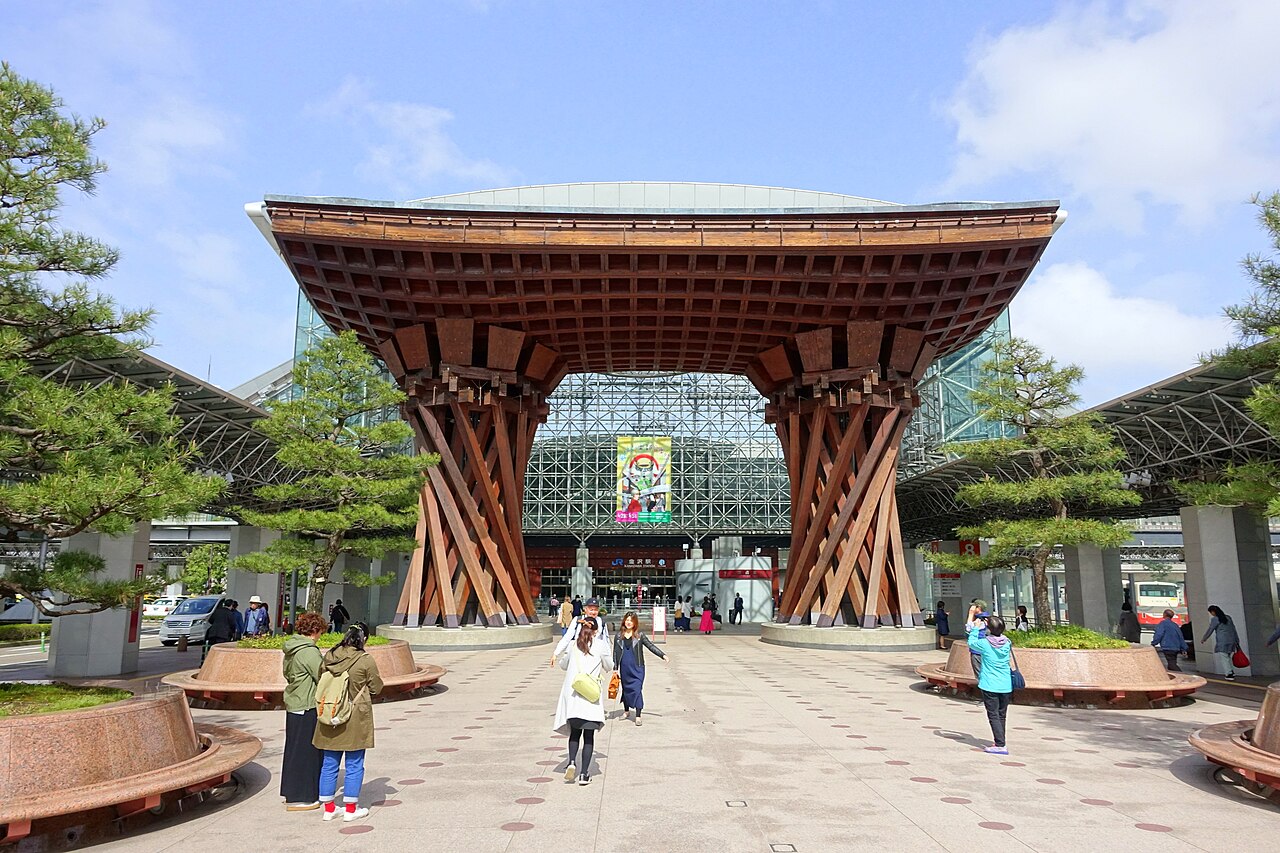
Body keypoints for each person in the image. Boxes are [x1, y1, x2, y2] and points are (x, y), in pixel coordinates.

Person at [313, 623, 384, 822]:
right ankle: (351, 809)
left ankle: (328, 808)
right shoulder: (364, 660)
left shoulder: (330, 656)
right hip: (354, 716)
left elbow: (321, 679)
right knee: (354, 763)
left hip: (330, 713)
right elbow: (376, 687)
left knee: (329, 763)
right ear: (364, 640)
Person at [553, 618, 614, 785]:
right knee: (588, 737)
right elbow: (609, 665)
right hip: (590, 698)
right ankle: (584, 774)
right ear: (596, 631)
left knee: (574, 734)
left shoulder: (574, 645)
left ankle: (572, 762)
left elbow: (563, 665)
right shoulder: (600, 645)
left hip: (574, 698)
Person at [281, 612, 327, 812]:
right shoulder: (308, 651)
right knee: (308, 752)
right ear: (315, 630)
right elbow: (322, 675)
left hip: (294, 703)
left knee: (294, 750)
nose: (320, 636)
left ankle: (292, 791)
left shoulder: (292, 648)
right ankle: (303, 796)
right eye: (320, 632)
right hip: (307, 704)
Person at [968, 613, 1013, 755]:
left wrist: (975, 628)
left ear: (988, 628)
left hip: (989, 684)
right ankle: (1000, 741)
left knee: (993, 714)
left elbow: (971, 643)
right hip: (1005, 684)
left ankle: (1000, 745)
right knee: (1002, 715)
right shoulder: (1007, 642)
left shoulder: (985, 643)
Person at [614, 611, 668, 725]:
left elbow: (650, 646)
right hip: (624, 668)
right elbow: (615, 653)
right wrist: (615, 668)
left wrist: (662, 655)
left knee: (637, 690)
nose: (629, 622)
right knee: (626, 689)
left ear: (635, 623)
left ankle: (638, 715)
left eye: (631, 621)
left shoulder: (640, 635)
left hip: (638, 668)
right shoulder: (618, 636)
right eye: (627, 620)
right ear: (624, 621)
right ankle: (626, 711)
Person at [1200, 605, 1241, 679]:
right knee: (1227, 656)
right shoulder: (1228, 617)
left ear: (1213, 612)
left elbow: (1210, 629)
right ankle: (1231, 671)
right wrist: (1237, 640)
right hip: (1232, 640)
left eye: (1210, 612)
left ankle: (1229, 674)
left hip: (1222, 641)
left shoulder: (1215, 619)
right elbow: (1233, 629)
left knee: (1224, 657)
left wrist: (1204, 638)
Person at [965, 604, 989, 681]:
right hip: (986, 650)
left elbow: (968, 629)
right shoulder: (987, 618)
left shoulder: (979, 619)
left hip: (977, 651)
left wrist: (970, 614)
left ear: (978, 608)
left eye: (973, 606)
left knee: (979, 674)